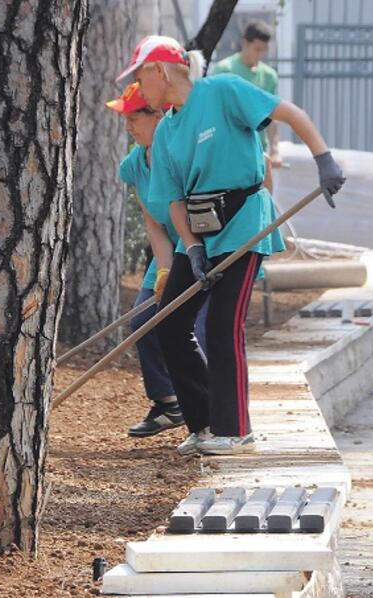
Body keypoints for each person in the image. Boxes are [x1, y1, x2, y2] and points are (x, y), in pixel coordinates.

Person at [117, 35, 345, 455]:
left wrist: (324, 160)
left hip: (242, 224)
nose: (137, 89)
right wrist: (192, 247)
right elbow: (172, 199)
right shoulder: (166, 129)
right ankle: (203, 423)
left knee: (223, 325)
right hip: (199, 235)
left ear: (160, 71)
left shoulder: (223, 90)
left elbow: (289, 113)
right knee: (170, 323)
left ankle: (236, 430)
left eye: (139, 77)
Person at [107, 82, 209, 438]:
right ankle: (169, 404)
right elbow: (154, 224)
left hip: (201, 247)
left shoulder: (181, 153)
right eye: (126, 119)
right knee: (144, 320)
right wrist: (164, 270)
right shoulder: (134, 163)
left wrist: (187, 260)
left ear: (158, 115)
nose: (128, 127)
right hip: (169, 250)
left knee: (191, 329)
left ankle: (211, 416)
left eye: (134, 118)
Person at [211, 21, 282, 169]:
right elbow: (214, 112)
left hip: (258, 151)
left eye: (264, 50)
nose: (260, 54)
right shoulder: (224, 70)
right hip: (228, 152)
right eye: (257, 49)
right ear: (244, 43)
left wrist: (275, 150)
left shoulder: (269, 76)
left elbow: (273, 116)